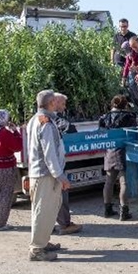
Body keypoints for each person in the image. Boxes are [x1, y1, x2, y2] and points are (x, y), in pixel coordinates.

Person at [26, 89, 72, 262]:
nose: (58, 104)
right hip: (45, 175)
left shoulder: (35, 119)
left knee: (45, 211)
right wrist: (60, 176)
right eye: (56, 101)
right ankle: (37, 249)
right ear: (51, 103)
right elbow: (49, 153)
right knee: (43, 211)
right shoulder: (46, 123)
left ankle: (43, 242)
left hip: (40, 173)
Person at [99, 95, 138, 220]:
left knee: (109, 182)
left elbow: (100, 134)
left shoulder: (104, 118)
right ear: (125, 104)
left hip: (109, 150)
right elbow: (135, 135)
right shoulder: (129, 117)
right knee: (124, 182)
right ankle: (124, 212)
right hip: (123, 150)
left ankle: (107, 210)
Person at [52, 93, 82, 236]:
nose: (64, 108)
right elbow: (70, 128)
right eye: (62, 104)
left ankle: (48, 225)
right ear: (55, 103)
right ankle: (64, 224)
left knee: (47, 199)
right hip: (54, 168)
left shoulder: (38, 119)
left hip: (48, 167)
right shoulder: (52, 120)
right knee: (61, 196)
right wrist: (58, 173)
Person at [121, 41, 138, 108]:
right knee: (131, 84)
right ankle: (137, 101)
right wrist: (124, 77)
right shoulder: (128, 56)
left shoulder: (137, 52)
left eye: (125, 49)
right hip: (133, 70)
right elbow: (126, 66)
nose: (125, 51)